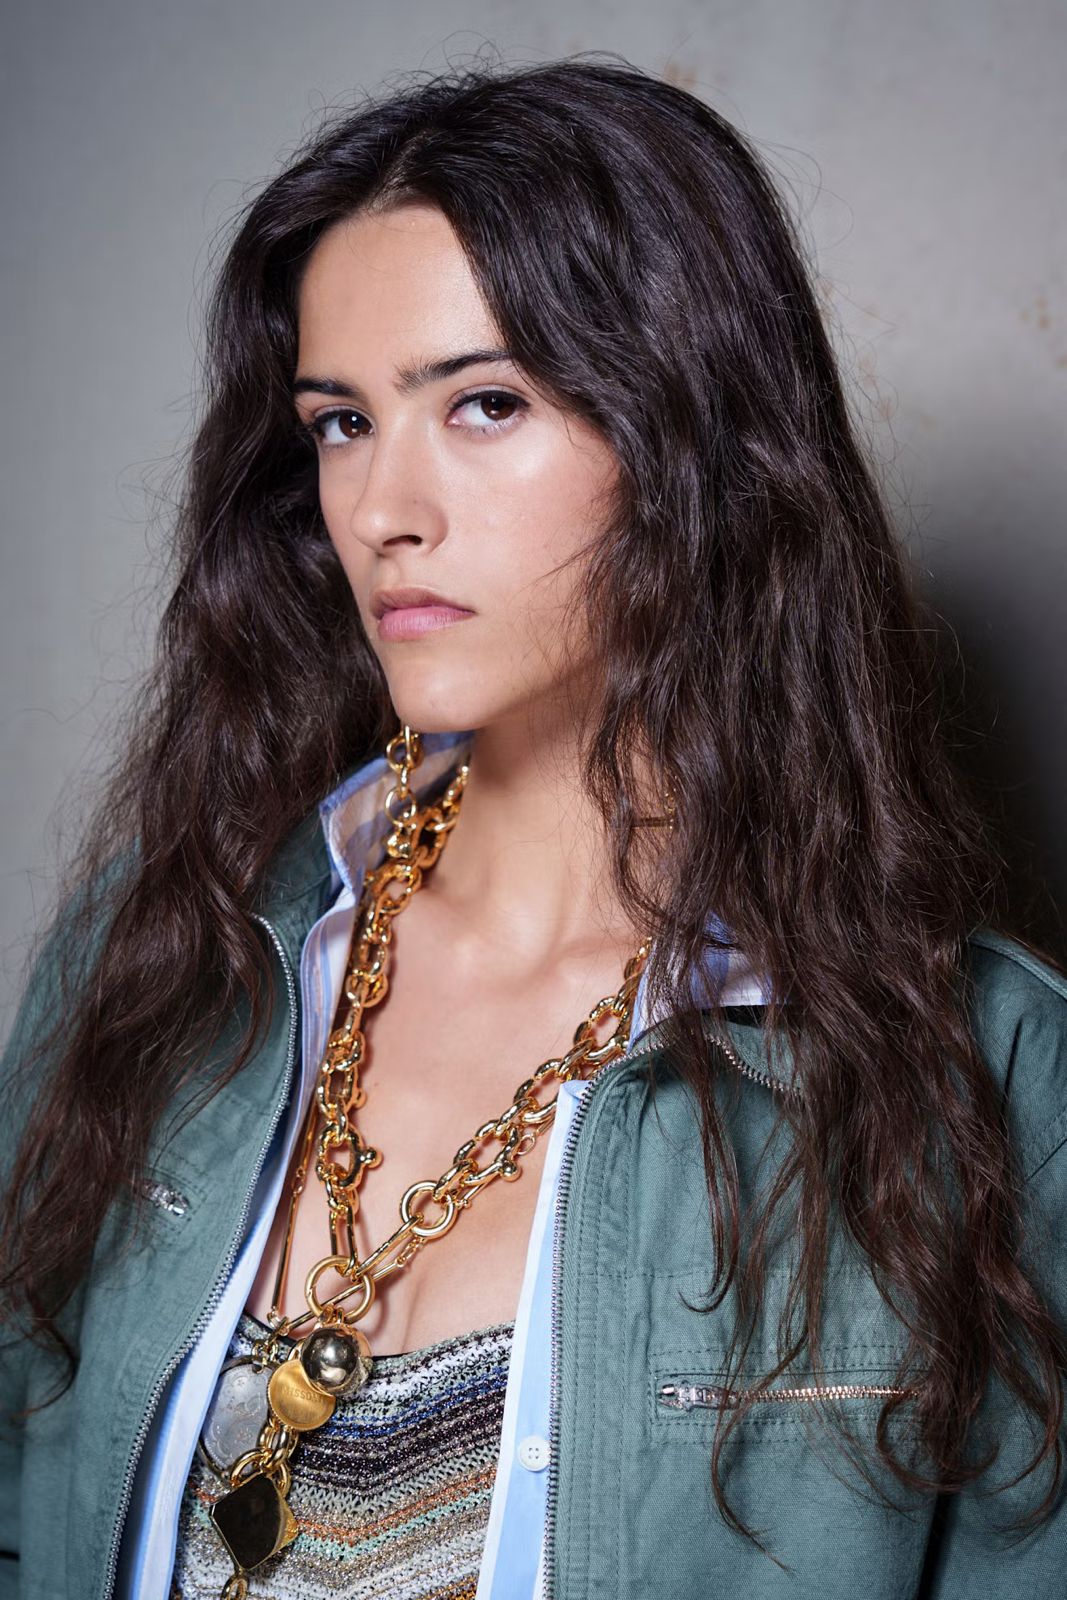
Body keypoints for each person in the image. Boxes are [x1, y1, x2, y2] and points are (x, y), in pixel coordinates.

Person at [1, 51, 1066, 1600]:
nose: (383, 509)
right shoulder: (165, 953)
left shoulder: (989, 1075)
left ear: (694, 440)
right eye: (341, 423)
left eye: (484, 405)